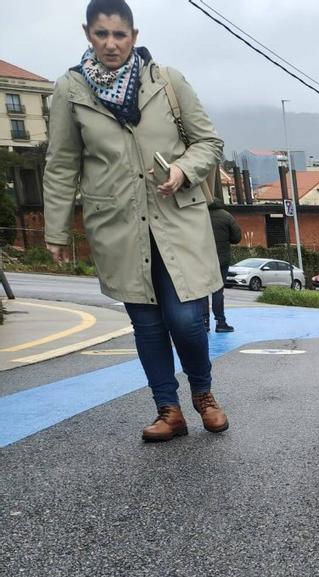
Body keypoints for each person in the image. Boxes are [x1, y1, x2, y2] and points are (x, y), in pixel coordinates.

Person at [43, 0, 229, 442]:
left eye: (119, 34)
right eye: (102, 34)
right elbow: (62, 162)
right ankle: (168, 410)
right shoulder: (70, 90)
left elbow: (209, 141)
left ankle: (203, 395)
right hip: (118, 225)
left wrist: (184, 170)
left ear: (134, 35)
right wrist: (54, 229)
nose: (111, 43)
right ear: (88, 34)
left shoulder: (166, 81)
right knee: (145, 325)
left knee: (185, 319)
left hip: (175, 218)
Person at [208, 201, 241, 332]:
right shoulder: (227, 216)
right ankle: (220, 322)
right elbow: (237, 237)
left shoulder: (200, 215)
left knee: (201, 291)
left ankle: (204, 322)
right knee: (218, 290)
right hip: (222, 259)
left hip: (202, 258)